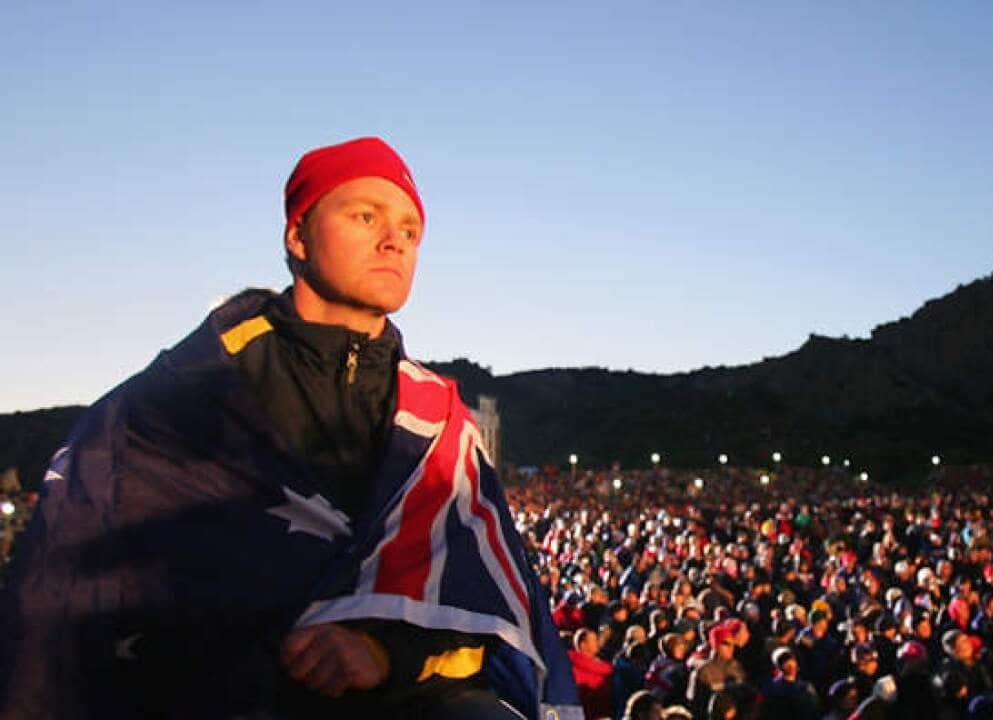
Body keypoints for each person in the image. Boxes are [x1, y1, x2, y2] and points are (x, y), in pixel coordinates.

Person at [0, 137, 580, 719]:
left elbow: (478, 605)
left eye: (410, 229)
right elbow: (60, 604)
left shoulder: (441, 425)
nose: (393, 241)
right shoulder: (178, 400)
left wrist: (383, 650)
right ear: (298, 235)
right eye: (365, 216)